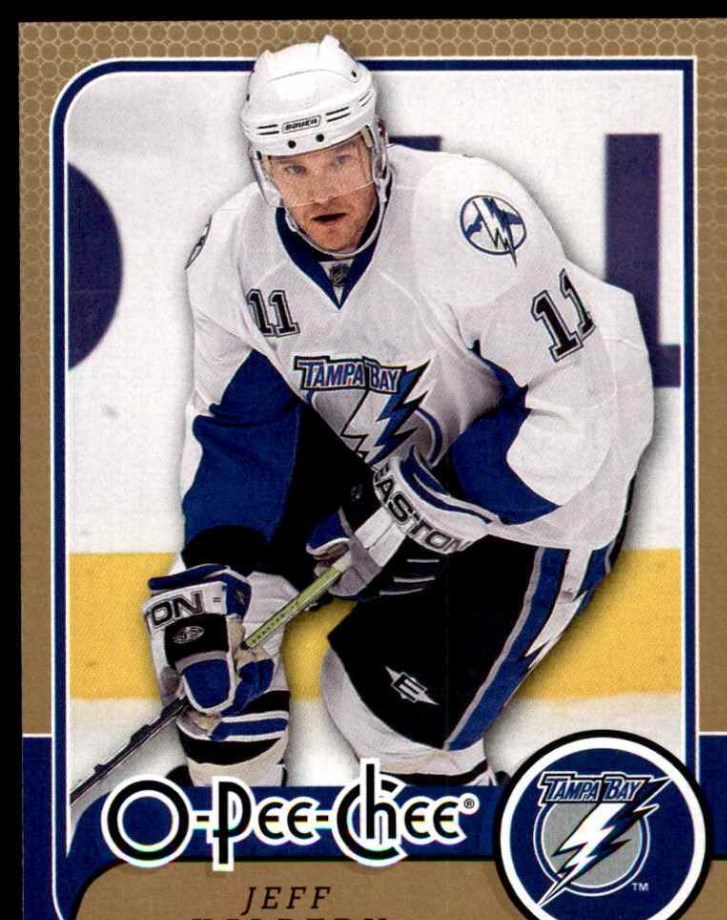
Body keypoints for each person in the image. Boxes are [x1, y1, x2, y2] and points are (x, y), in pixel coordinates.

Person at [143, 35, 654, 789]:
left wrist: (440, 499)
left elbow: (573, 407)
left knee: (386, 712)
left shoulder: (465, 218)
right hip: (388, 443)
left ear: (378, 143)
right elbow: (241, 434)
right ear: (262, 169)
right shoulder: (231, 254)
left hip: (550, 472)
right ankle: (234, 832)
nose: (321, 192)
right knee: (220, 621)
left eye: (339, 160)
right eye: (293, 168)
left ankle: (465, 843)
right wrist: (218, 561)